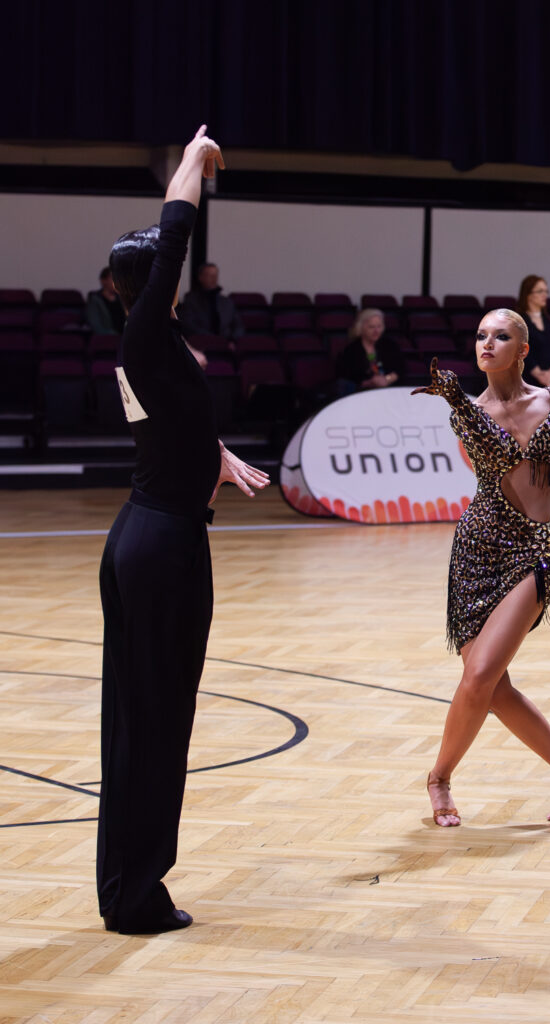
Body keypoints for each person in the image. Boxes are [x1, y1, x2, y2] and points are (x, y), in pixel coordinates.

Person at [98, 126, 270, 935]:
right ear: (151, 285)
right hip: (163, 547)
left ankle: (128, 886)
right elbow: (174, 233)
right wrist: (194, 163)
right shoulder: (144, 335)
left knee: (142, 718)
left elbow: (167, 430)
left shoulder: (152, 346)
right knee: (157, 722)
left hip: (146, 534)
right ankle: (137, 896)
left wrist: (218, 455)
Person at [412, 309, 550, 828]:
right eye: (479, 336)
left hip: (531, 553)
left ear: (524, 349)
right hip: (475, 551)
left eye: (500, 336)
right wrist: (458, 403)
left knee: (478, 677)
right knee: (493, 687)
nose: (486, 343)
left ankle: (439, 777)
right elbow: (496, 458)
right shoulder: (466, 410)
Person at [336, 308, 404, 394]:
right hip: (360, 393)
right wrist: (368, 383)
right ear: (361, 328)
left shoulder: (390, 345)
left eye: (379, 326)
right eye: (371, 327)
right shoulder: (351, 349)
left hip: (389, 391)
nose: (376, 331)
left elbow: (401, 369)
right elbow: (347, 376)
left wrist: (387, 379)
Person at [516, 275, 550, 387]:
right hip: (528, 381)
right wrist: (540, 376)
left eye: (546, 291)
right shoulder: (520, 321)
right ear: (529, 295)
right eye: (540, 291)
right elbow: (522, 351)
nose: (545, 295)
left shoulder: (549, 322)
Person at [179, 262, 244, 341]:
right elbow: (189, 326)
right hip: (202, 344)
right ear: (201, 277)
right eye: (209, 275)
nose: (214, 278)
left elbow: (238, 326)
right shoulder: (191, 300)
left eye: (215, 275)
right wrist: (213, 339)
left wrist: (232, 340)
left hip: (226, 345)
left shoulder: (227, 302)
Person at [86, 266, 126, 335]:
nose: (117, 281)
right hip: (108, 338)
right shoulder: (95, 300)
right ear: (103, 280)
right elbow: (96, 326)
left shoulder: (122, 298)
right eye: (113, 278)